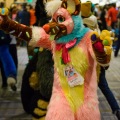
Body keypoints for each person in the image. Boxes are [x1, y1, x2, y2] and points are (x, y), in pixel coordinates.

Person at [82, 2, 120, 120]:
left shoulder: (82, 30)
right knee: (104, 87)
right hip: (99, 64)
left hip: (88, 64)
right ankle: (116, 109)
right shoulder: (96, 28)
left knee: (85, 89)